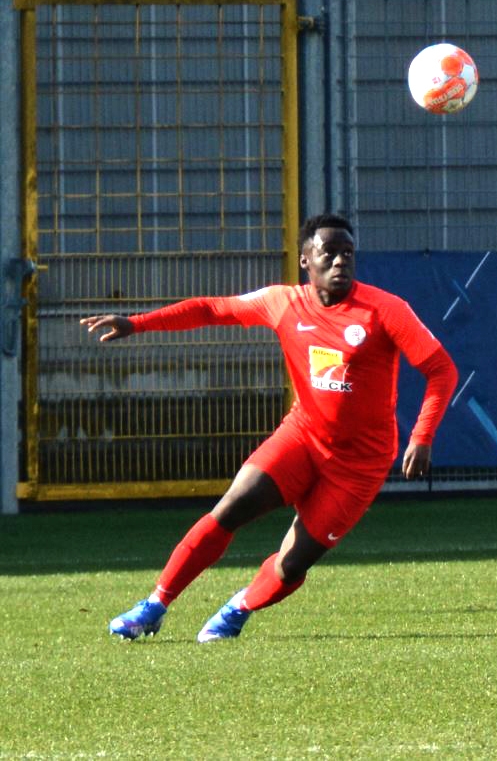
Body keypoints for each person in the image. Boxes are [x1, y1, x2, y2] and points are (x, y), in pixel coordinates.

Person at [91, 213, 458, 642]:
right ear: (305, 260)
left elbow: (441, 370)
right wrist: (137, 323)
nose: (340, 261)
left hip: (360, 464)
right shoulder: (283, 302)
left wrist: (422, 435)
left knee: (293, 564)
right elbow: (212, 308)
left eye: (348, 253)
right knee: (230, 509)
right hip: (302, 437)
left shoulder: (385, 309)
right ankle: (154, 605)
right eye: (329, 253)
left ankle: (238, 608)